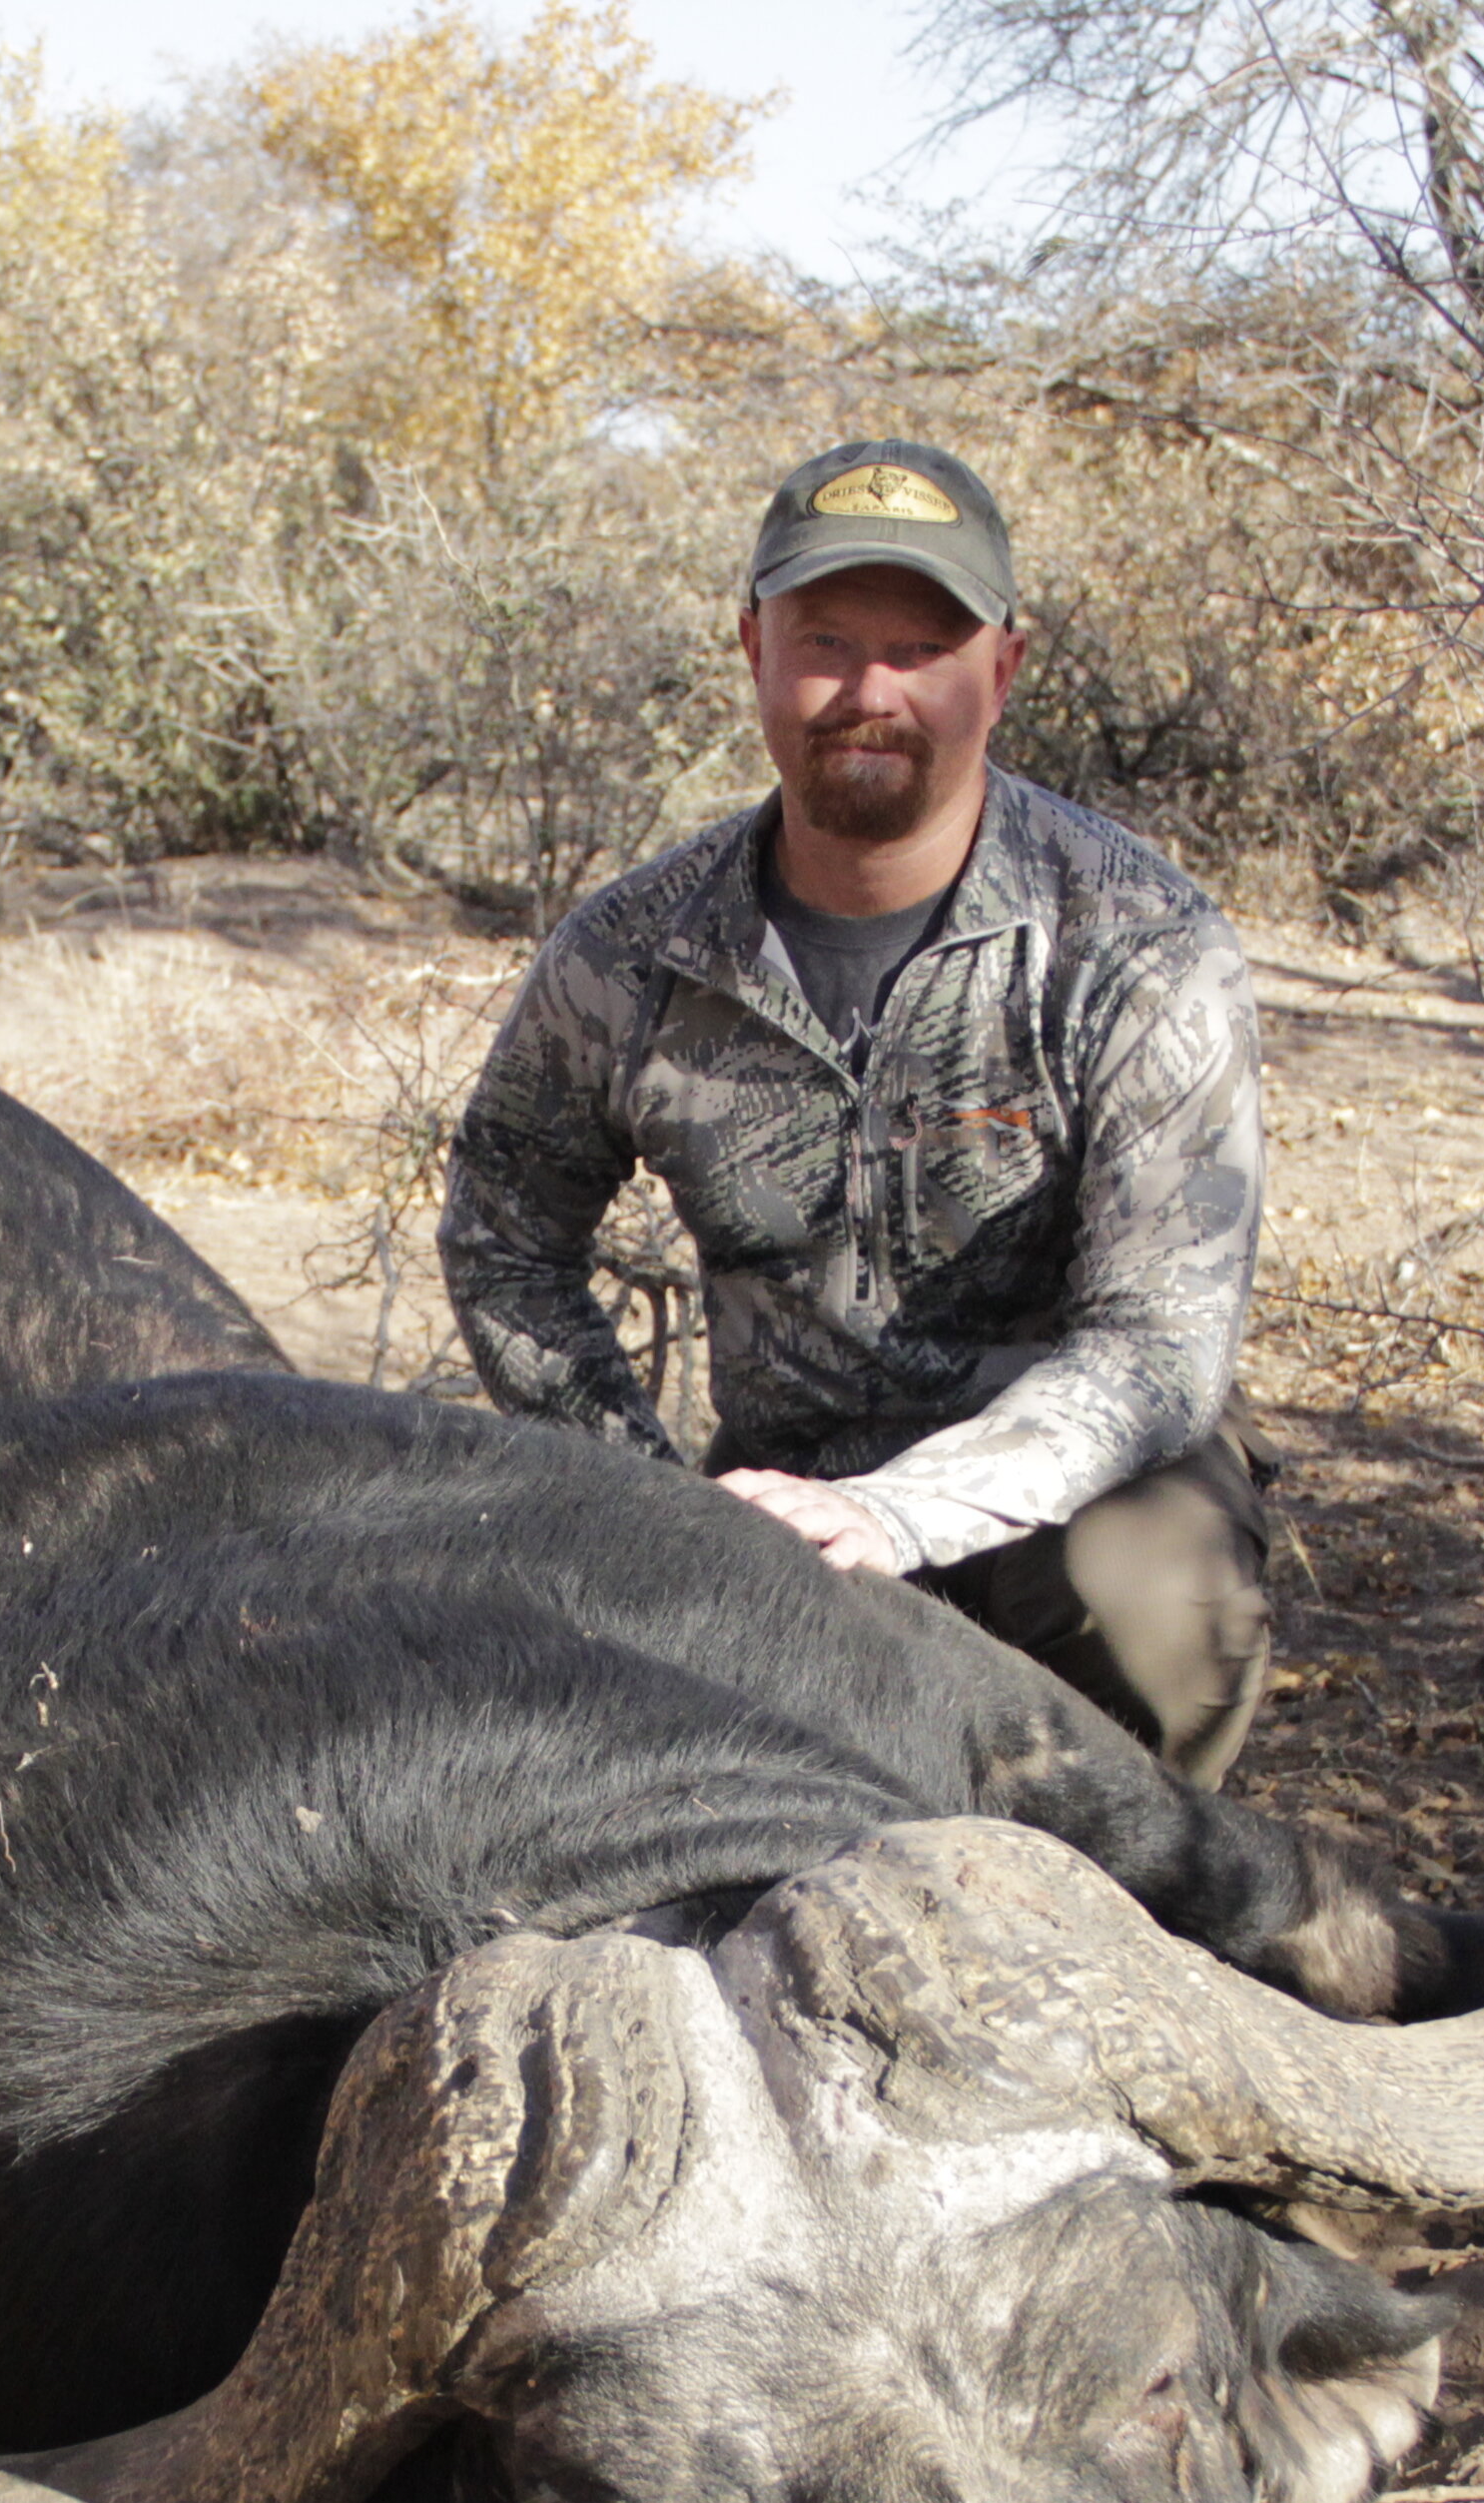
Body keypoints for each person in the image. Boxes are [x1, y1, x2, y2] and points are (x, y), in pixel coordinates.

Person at [438, 434, 1282, 1784]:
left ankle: (1138, 1927)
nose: (869, 691)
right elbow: (501, 1229)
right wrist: (640, 1500)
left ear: (1002, 671)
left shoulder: (1139, 940)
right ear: (752, 649)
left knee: (1164, 1591)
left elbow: (1160, 1351)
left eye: (923, 650)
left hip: (1062, 1497)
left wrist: (899, 1514)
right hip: (775, 1504)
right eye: (827, 641)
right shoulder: (631, 950)